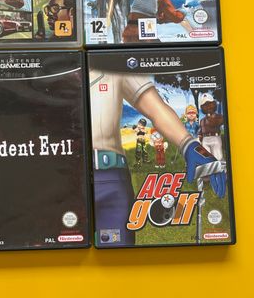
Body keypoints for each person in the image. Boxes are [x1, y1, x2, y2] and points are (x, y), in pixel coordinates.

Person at [89, 70, 227, 246]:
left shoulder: (113, 67)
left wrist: (189, 145)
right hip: (62, 175)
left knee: (117, 254)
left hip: (110, 180)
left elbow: (155, 108)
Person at [199, 93, 224, 160]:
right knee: (207, 159)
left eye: (209, 103)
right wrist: (200, 137)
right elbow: (201, 131)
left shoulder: (218, 116)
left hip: (215, 138)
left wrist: (212, 118)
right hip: (205, 140)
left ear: (214, 104)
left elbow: (218, 122)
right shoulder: (202, 120)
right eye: (205, 105)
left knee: (218, 158)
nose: (208, 106)